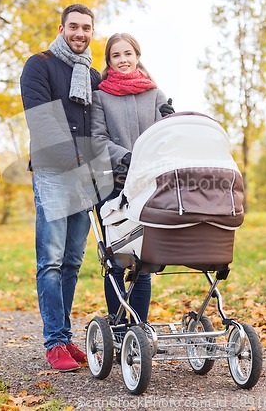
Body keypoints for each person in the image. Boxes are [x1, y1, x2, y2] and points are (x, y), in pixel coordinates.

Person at [20, 4, 101, 372]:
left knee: (73, 260)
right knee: (50, 261)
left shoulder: (93, 74)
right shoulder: (39, 65)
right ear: (62, 28)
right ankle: (54, 341)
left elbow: (113, 109)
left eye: (86, 27)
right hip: (53, 171)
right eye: (74, 26)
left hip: (86, 176)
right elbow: (42, 121)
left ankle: (66, 338)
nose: (80, 33)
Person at [91, 32, 174, 348]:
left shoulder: (155, 94)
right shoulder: (101, 97)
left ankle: (138, 332)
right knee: (117, 259)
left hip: (149, 187)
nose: (123, 59)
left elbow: (166, 133)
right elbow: (98, 140)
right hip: (115, 185)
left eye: (128, 53)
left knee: (144, 261)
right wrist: (130, 157)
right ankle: (117, 330)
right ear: (109, 61)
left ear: (137, 56)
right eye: (116, 55)